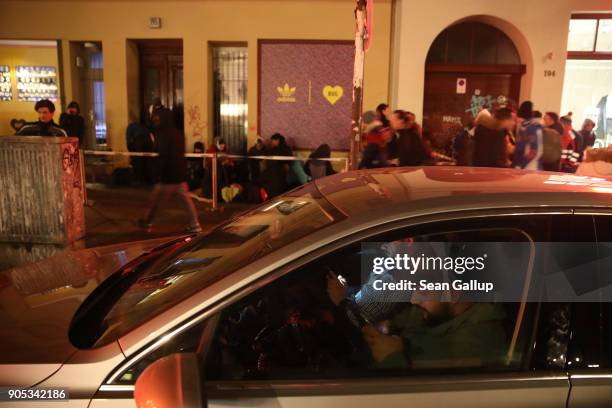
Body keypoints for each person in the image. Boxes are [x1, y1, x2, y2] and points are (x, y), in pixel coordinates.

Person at [138, 108, 202, 233]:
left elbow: (162, 154)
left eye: (157, 119)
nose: (155, 121)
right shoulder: (178, 133)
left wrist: (156, 172)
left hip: (167, 174)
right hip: (179, 173)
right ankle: (195, 224)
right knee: (186, 201)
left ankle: (147, 222)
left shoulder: (162, 134)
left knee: (156, 200)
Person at [512, 101, 543, 170]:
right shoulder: (524, 127)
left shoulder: (531, 127)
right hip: (524, 165)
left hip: (530, 167)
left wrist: (520, 165)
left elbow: (534, 150)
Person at [261, 133, 293, 198]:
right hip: (273, 173)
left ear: (277, 140)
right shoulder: (283, 148)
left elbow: (286, 163)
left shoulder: (283, 149)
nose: (271, 143)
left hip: (277, 173)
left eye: (272, 141)